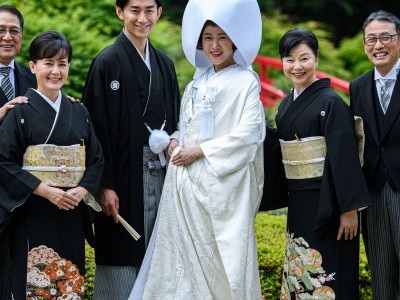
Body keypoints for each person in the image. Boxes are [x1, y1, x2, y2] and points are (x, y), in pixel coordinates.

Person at [129, 0, 265, 299]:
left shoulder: (246, 81)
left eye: (222, 37)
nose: (215, 45)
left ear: (234, 40)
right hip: (184, 183)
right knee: (178, 263)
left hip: (221, 185)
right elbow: (185, 125)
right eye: (208, 38)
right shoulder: (197, 82)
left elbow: (249, 134)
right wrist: (176, 141)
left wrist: (200, 151)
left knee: (223, 258)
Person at [81, 0, 180, 298]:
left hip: (162, 172)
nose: (142, 17)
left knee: (161, 250)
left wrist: (175, 140)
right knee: (122, 249)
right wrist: (105, 185)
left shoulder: (164, 63)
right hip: (123, 178)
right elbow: (95, 129)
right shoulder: (107, 62)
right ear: (119, 11)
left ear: (159, 13)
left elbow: (177, 118)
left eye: (149, 10)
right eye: (134, 10)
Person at [267, 28, 371, 299]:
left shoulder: (331, 102)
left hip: (331, 204)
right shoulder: (286, 104)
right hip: (300, 200)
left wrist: (350, 211)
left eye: (304, 58)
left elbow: (345, 157)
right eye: (289, 59)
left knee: (332, 274)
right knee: (299, 269)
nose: (297, 66)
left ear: (316, 59)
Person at [0, 30, 104, 299]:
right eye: (48, 63)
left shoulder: (78, 111)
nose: (56, 71)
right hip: (33, 210)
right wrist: (43, 190)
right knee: (35, 286)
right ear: (33, 67)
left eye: (62, 63)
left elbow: (95, 159)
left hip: (69, 210)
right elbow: (3, 161)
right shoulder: (19, 111)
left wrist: (82, 191)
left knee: (69, 285)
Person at [349, 10, 400, 299]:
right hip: (373, 192)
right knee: (381, 273)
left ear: (399, 41)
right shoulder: (358, 86)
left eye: (385, 37)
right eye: (371, 39)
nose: (378, 45)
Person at [0, 4, 36, 299]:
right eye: (1, 30)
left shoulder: (31, 77)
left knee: (19, 281)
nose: (7, 36)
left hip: (24, 196)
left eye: (14, 30)